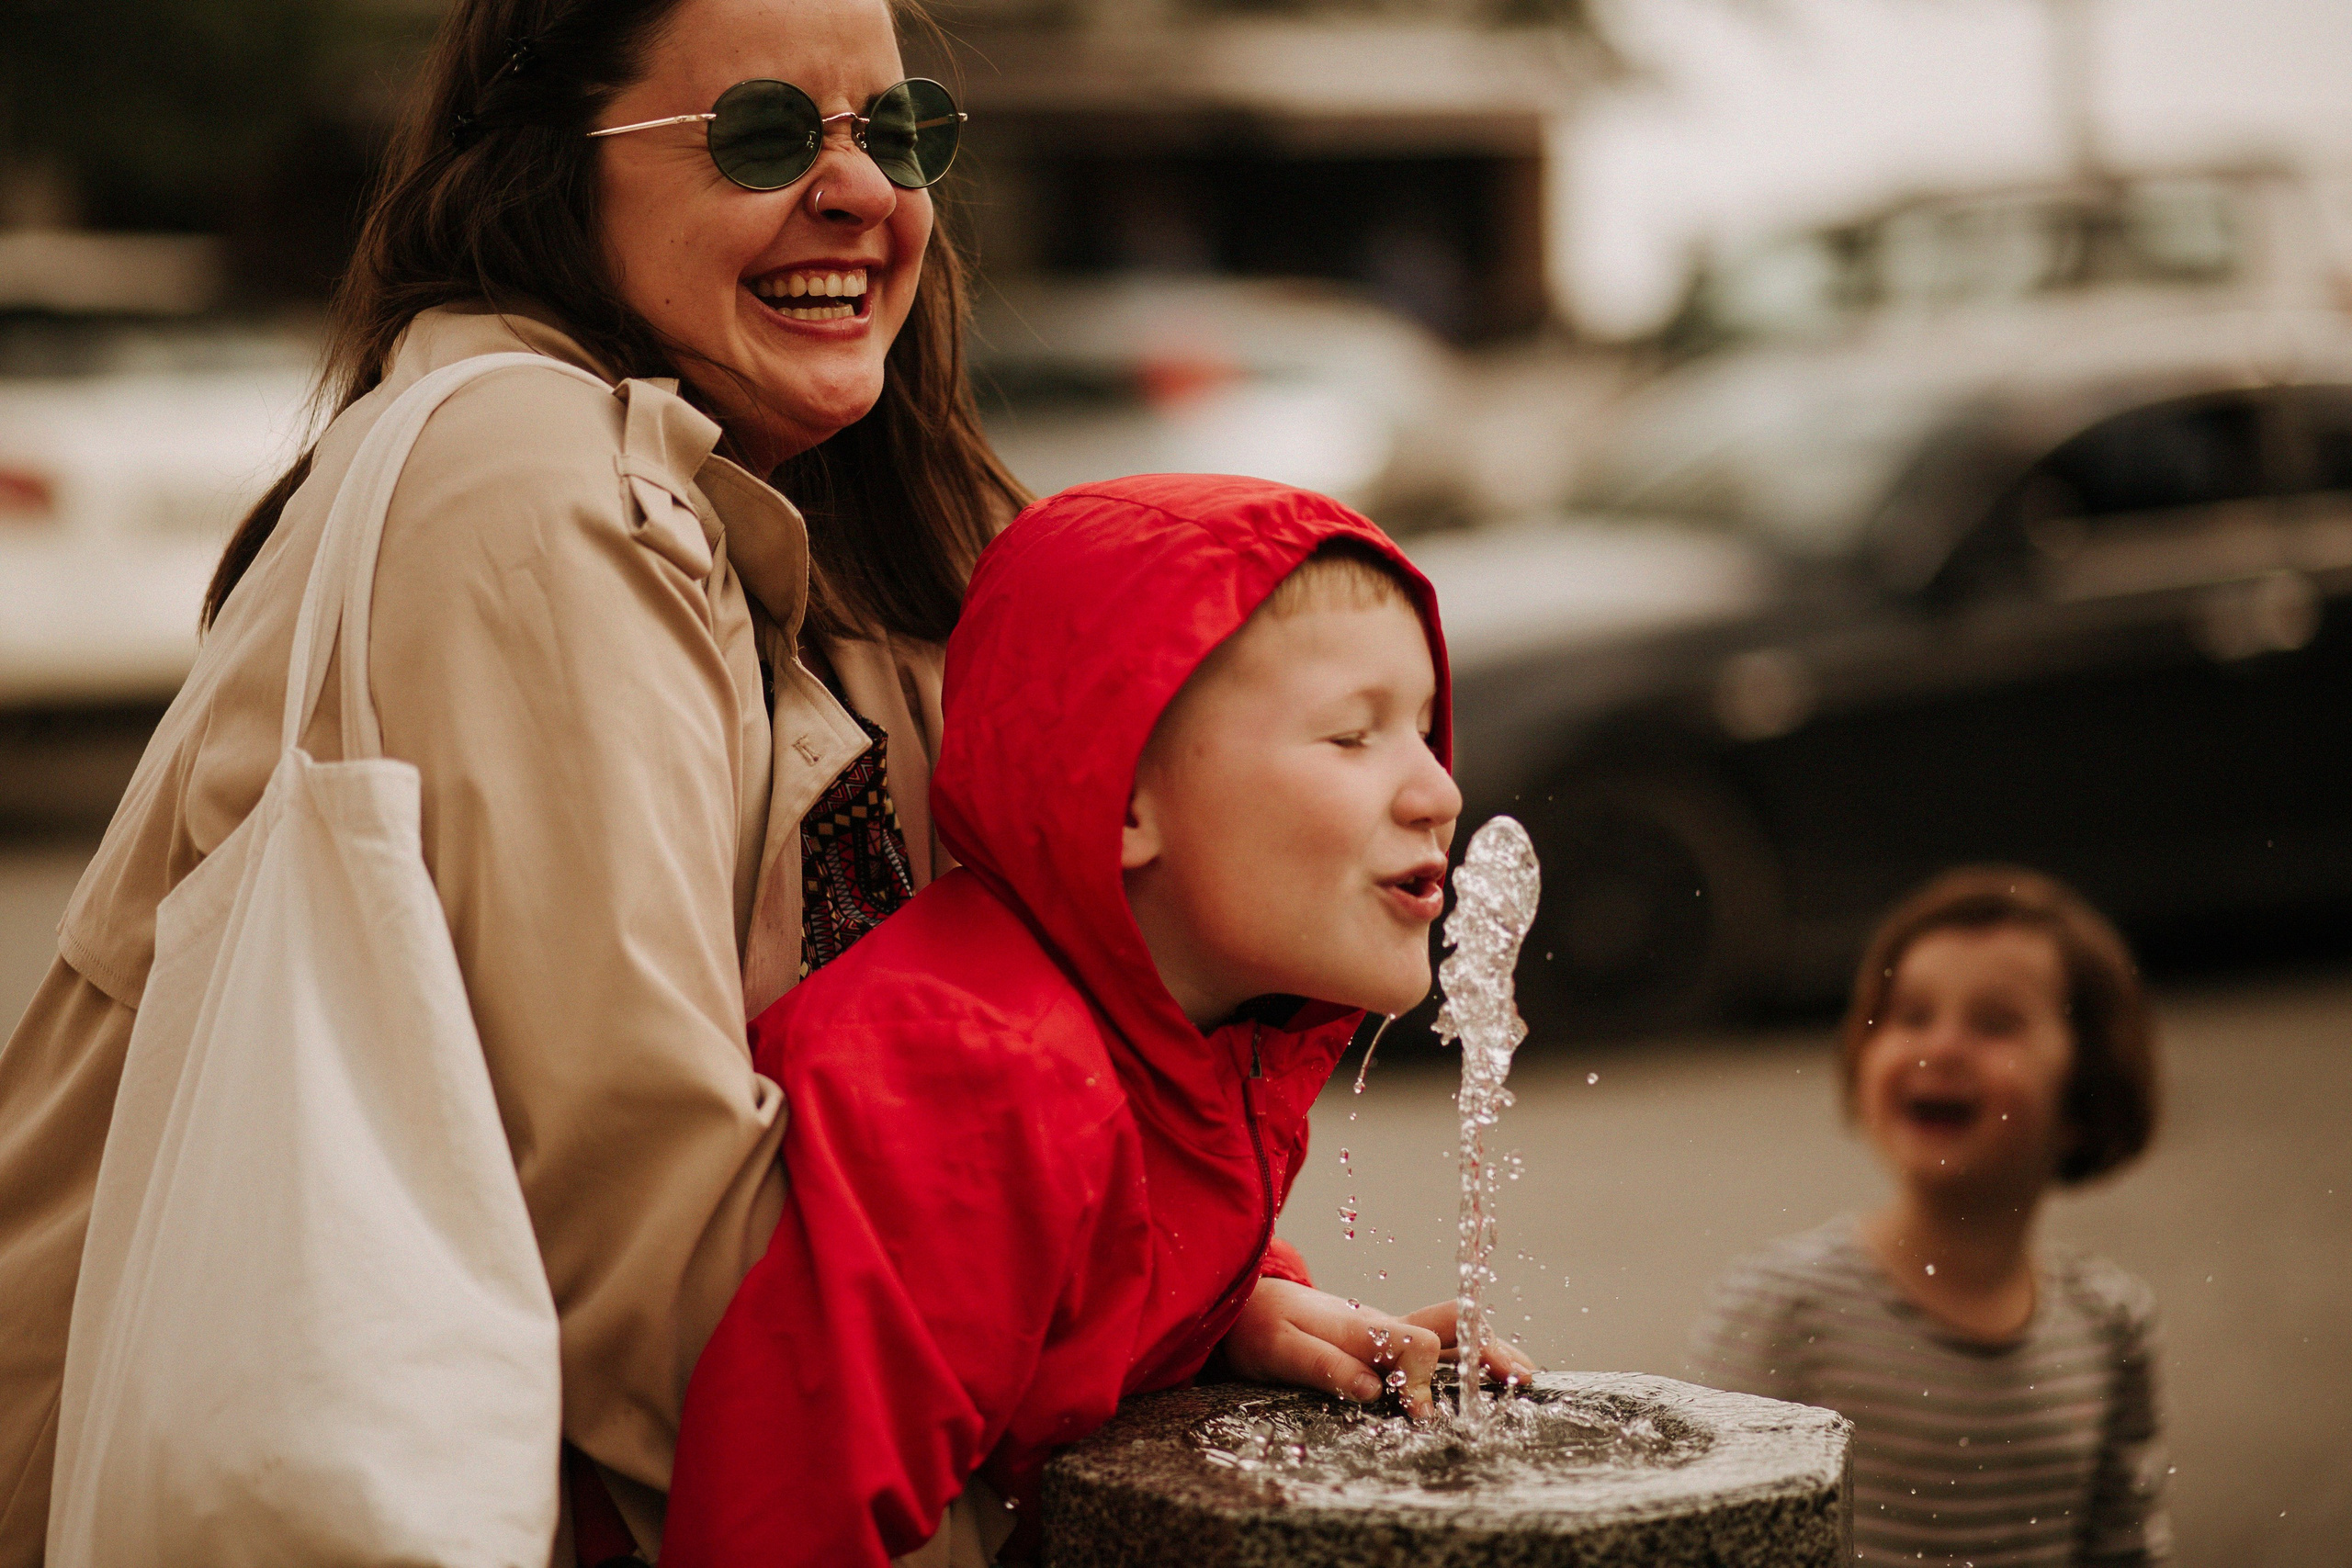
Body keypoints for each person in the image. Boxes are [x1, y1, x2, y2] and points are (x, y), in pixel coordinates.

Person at [0, 0, 1026, 1560]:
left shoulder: (768, 518)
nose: (869, 195)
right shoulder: (533, 489)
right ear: (549, 172)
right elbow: (653, 1237)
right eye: (764, 132)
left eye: (901, 132)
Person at [661, 474, 1538, 1568]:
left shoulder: (1180, 1038)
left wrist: (1232, 1314)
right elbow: (783, 1527)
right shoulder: (985, 1079)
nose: (1437, 791)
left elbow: (1098, 1268)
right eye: (1351, 738)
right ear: (1120, 798)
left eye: (1420, 727)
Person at [1690, 867, 2170, 1568]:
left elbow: (2125, 1549)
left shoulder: (2109, 1327)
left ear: (2085, 1094)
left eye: (1996, 1023)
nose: (1940, 1047)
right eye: (1911, 1015)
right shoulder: (1788, 1307)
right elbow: (1711, 1537)